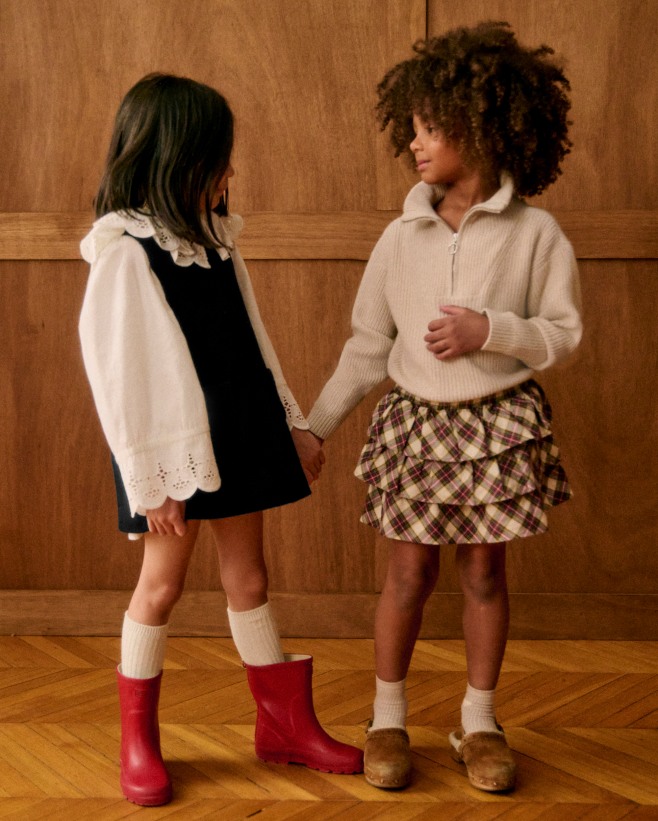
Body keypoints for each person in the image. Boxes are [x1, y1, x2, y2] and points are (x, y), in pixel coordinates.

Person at [306, 22, 582, 793]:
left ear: (482, 126)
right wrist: (314, 427)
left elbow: (563, 334)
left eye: (431, 129)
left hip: (498, 424)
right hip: (417, 425)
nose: (415, 143)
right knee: (408, 572)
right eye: (413, 129)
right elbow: (368, 345)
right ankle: (386, 716)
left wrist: (492, 330)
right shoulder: (399, 239)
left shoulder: (537, 234)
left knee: (486, 572)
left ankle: (480, 720)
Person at [78, 73, 362, 807]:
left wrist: (291, 422)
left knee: (250, 580)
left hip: (241, 427)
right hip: (171, 449)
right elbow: (119, 378)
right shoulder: (125, 251)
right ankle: (138, 741)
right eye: (218, 158)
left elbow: (254, 341)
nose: (230, 172)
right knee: (162, 586)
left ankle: (284, 727)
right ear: (174, 158)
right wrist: (152, 479)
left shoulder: (215, 241)